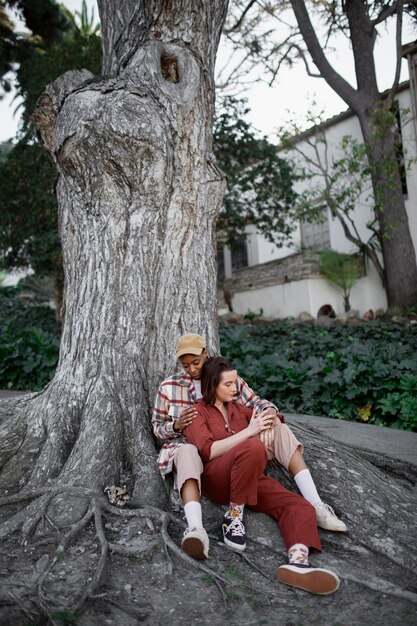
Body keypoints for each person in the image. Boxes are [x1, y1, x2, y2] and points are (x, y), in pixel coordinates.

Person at [152, 334, 346, 561]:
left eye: (196, 363)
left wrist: (270, 414)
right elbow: (194, 444)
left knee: (298, 505)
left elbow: (256, 403)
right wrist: (176, 425)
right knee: (239, 447)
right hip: (208, 463)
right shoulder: (190, 404)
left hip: (244, 467)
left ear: (206, 354)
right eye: (186, 365)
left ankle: (299, 556)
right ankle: (205, 525)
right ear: (214, 385)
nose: (192, 369)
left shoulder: (234, 400)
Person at [184, 356, 341, 595]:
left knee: (300, 507)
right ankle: (234, 516)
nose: (235, 388)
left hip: (249, 480)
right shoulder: (197, 412)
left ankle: (298, 562)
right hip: (217, 479)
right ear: (211, 385)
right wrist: (250, 432)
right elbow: (208, 451)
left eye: (235, 382)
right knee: (254, 446)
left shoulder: (237, 409)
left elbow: (275, 418)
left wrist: (267, 424)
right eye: (228, 384)